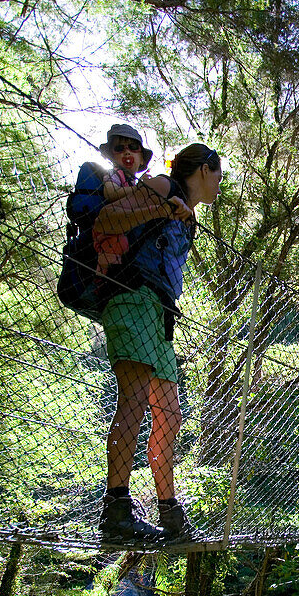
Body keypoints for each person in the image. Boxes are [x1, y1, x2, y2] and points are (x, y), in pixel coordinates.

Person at [93, 143, 223, 543]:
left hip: (159, 311)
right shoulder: (164, 186)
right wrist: (161, 207)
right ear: (204, 169)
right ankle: (116, 509)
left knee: (169, 416)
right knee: (132, 400)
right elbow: (107, 219)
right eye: (218, 174)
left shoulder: (191, 213)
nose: (220, 183)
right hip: (131, 295)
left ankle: (170, 515)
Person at [93, 124, 152, 282]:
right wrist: (140, 190)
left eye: (133, 147)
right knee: (112, 253)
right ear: (112, 157)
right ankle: (103, 282)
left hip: (127, 232)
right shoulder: (115, 174)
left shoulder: (133, 183)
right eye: (119, 148)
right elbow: (111, 192)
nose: (127, 152)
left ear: (141, 160)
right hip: (110, 230)